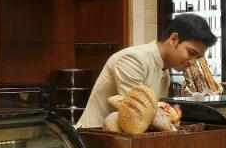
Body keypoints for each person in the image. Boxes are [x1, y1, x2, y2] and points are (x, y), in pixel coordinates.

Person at [77, 13, 217, 128]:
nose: (193, 62)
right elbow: (138, 112)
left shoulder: (164, 71)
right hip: (92, 142)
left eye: (197, 57)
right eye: (191, 53)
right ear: (173, 39)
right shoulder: (133, 59)